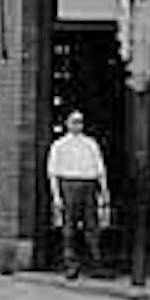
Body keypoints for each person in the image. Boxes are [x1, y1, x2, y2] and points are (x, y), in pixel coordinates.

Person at [46, 110, 109, 279]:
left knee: (92, 226)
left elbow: (100, 169)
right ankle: (70, 265)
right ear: (67, 123)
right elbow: (53, 173)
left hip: (89, 185)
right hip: (69, 184)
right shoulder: (59, 145)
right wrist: (56, 196)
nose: (77, 125)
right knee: (69, 228)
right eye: (74, 121)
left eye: (80, 121)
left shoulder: (90, 144)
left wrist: (104, 191)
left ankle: (96, 264)